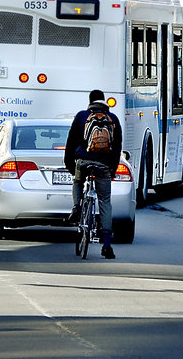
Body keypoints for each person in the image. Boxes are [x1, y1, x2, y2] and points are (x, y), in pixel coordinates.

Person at [65, 89, 123, 259]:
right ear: (104, 102)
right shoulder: (113, 119)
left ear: (90, 101)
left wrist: (70, 164)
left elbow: (70, 142)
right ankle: (106, 244)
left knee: (77, 181)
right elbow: (117, 148)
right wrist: (111, 169)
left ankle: (76, 207)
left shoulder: (81, 116)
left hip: (83, 162)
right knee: (104, 200)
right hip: (104, 165)